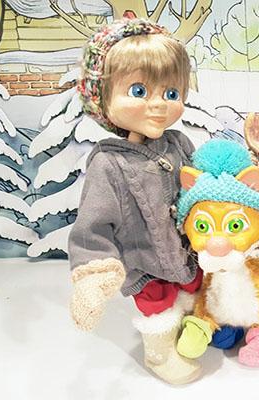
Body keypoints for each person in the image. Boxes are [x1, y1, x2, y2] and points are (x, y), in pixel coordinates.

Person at [68, 18, 202, 385]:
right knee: (158, 306)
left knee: (191, 294)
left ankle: (193, 331)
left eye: (171, 93)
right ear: (102, 96)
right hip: (145, 262)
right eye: (139, 91)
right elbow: (92, 226)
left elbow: (200, 185)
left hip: (188, 253)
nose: (158, 105)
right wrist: (94, 275)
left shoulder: (178, 144)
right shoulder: (108, 163)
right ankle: (158, 352)